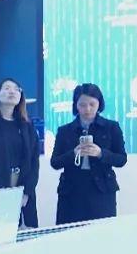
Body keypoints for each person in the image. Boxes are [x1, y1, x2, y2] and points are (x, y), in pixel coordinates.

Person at [50, 83, 127, 224]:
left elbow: (121, 159)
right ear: (76, 105)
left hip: (102, 191)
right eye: (82, 105)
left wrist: (101, 153)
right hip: (71, 192)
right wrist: (73, 154)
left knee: (101, 233)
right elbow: (55, 163)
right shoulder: (64, 131)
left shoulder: (111, 127)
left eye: (92, 104)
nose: (87, 109)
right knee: (69, 234)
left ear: (99, 104)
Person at [0, 78, 40, 231]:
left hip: (23, 193)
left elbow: (34, 162)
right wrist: (4, 195)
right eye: (7, 88)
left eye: (16, 89)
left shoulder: (27, 125)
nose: (12, 91)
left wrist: (26, 191)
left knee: (25, 239)